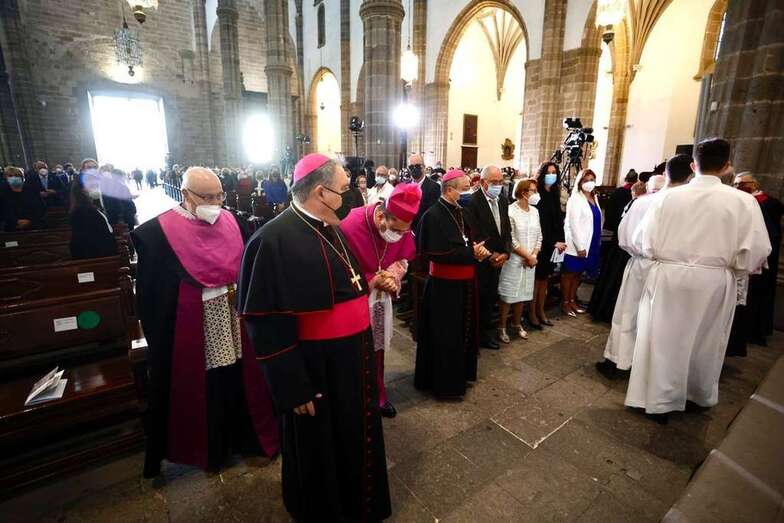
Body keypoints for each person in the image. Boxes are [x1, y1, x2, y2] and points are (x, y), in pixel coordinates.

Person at [238, 153, 391, 522]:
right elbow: (264, 322)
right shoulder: (271, 240)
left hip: (353, 359)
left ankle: (360, 504)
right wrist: (292, 387)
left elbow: (342, 284)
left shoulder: (330, 226)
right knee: (321, 444)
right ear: (321, 192)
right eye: (344, 189)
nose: (352, 196)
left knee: (354, 433)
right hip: (315, 368)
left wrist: (371, 283)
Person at [131, 167, 278, 477]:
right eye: (207, 197)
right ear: (186, 195)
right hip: (195, 324)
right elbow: (151, 294)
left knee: (239, 373)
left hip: (234, 314)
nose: (215, 203)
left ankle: (246, 436)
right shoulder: (156, 234)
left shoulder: (233, 221)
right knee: (209, 381)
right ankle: (212, 448)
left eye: (219, 196)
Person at [624, 139, 771, 421]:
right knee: (707, 340)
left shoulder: (666, 198)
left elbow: (642, 239)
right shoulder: (744, 202)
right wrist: (735, 267)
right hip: (715, 280)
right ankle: (696, 394)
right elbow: (758, 250)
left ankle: (659, 399)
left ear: (693, 165)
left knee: (663, 338)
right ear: (727, 166)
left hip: (668, 276)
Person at [340, 183, 421, 418]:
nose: (398, 236)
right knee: (354, 351)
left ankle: (378, 394)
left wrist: (393, 275)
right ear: (381, 215)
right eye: (395, 229)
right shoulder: (350, 224)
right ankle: (354, 398)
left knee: (377, 350)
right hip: (353, 302)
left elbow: (403, 259)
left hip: (379, 302)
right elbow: (337, 269)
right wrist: (373, 280)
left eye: (404, 232)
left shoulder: (402, 231)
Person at [595, 167, 682, 379]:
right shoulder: (688, 205)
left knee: (628, 313)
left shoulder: (643, 202)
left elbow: (624, 237)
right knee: (660, 320)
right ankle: (648, 368)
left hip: (643, 263)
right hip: (674, 270)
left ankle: (618, 361)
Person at [415, 169, 490, 398]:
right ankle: (445, 385)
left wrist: (478, 250)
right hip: (444, 289)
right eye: (465, 188)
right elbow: (435, 253)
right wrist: (471, 253)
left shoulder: (461, 211)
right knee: (445, 336)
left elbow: (470, 240)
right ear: (449, 190)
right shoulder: (432, 215)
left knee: (463, 332)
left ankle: (462, 375)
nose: (469, 192)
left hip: (466, 285)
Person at [726, 172, 783, 354]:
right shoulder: (736, 200)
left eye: (742, 184)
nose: (738, 187)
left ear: (754, 184)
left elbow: (768, 235)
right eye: (736, 184)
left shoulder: (769, 203)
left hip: (754, 258)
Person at [463, 165, 511, 350]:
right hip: (482, 259)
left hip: (499, 259)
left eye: (500, 182)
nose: (498, 185)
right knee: (479, 298)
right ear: (483, 182)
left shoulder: (503, 200)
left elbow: (506, 230)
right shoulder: (472, 202)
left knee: (491, 297)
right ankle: (476, 336)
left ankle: (486, 332)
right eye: (494, 182)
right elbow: (474, 233)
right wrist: (491, 254)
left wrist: (506, 252)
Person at [497, 179, 542, 343]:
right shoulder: (511, 211)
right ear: (523, 192)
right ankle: (501, 327)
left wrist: (534, 255)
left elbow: (539, 236)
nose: (536, 194)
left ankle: (517, 323)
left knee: (522, 294)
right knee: (508, 295)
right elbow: (512, 240)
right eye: (533, 191)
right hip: (515, 260)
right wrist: (528, 256)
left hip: (530, 260)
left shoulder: (535, 211)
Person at [529, 162, 566, 327]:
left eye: (554, 172)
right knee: (537, 280)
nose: (552, 175)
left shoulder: (554, 193)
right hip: (541, 243)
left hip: (553, 244)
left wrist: (561, 240)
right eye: (549, 172)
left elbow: (558, 220)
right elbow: (540, 223)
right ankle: (532, 313)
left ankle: (541, 310)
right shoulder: (537, 194)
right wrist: (552, 242)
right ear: (542, 174)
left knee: (545, 279)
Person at [561, 169, 601, 316]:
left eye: (592, 180)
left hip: (591, 243)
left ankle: (572, 300)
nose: (589, 183)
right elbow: (573, 225)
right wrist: (580, 246)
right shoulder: (575, 199)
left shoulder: (594, 197)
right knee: (570, 274)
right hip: (576, 245)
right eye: (586, 180)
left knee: (578, 274)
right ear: (580, 182)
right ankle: (565, 303)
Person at [68, 169, 118, 259]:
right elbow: (89, 241)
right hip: (98, 258)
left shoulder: (89, 207)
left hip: (103, 255)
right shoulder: (83, 211)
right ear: (82, 189)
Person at [1, 166, 46, 231]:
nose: (14, 178)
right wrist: (16, 221)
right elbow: (4, 211)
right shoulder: (3, 193)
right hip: (11, 228)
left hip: (34, 226)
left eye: (17, 175)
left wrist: (30, 221)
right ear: (6, 178)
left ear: (22, 177)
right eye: (10, 176)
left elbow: (41, 208)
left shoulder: (32, 190)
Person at [409, 153, 440, 233]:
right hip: (406, 231)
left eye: (417, 166)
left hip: (423, 231)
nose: (414, 169)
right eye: (411, 167)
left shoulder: (434, 187)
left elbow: (432, 215)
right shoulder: (405, 185)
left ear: (424, 167)